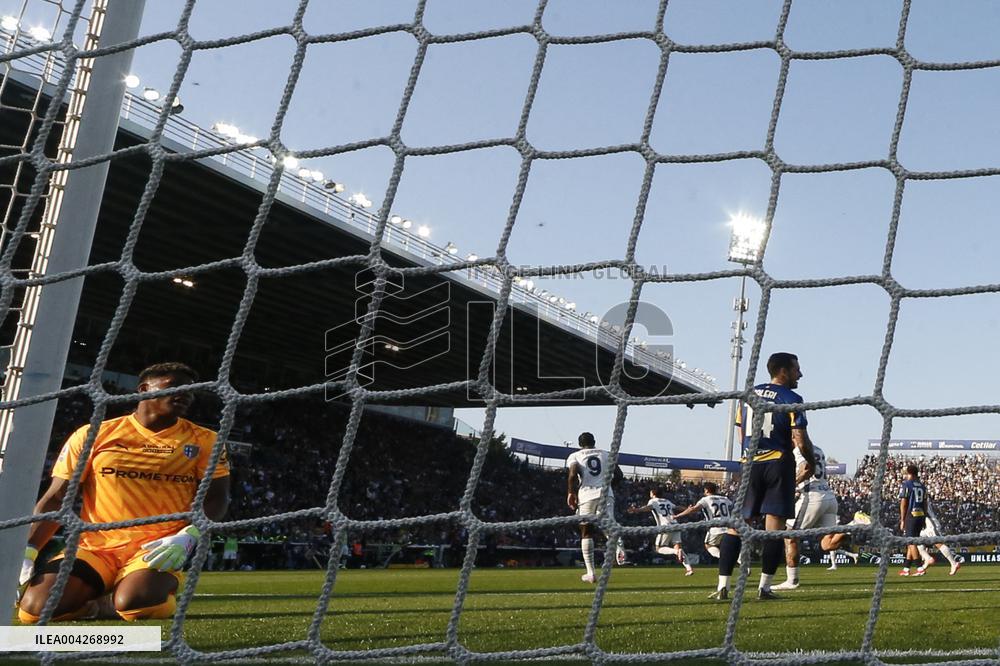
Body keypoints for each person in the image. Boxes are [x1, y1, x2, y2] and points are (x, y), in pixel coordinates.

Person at [17, 363, 230, 623]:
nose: (186, 394)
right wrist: (29, 549)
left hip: (157, 547)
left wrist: (189, 535)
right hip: (95, 548)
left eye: (191, 390)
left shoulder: (205, 440)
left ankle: (133, 592)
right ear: (143, 389)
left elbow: (217, 497)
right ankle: (97, 606)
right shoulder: (94, 434)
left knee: (135, 605)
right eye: (175, 386)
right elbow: (57, 497)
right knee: (33, 611)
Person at [729, 352, 816, 600]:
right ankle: (764, 588)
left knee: (738, 525)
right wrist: (809, 463)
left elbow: (740, 433)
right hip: (778, 462)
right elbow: (800, 440)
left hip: (749, 463)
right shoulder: (792, 398)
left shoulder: (747, 396)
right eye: (797, 369)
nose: (800, 374)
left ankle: (722, 584)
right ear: (783, 371)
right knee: (774, 529)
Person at [773, 444, 839, 590]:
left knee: (790, 535)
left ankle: (792, 580)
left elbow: (807, 469)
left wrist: (792, 484)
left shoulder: (798, 450)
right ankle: (852, 526)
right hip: (829, 496)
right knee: (827, 544)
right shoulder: (819, 449)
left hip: (812, 496)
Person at [566, 432, 624, 584]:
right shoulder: (605, 454)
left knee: (586, 531)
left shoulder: (575, 456)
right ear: (594, 442)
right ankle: (619, 548)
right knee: (609, 524)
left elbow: (572, 475)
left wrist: (571, 493)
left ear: (580, 444)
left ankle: (590, 573)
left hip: (586, 495)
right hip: (606, 493)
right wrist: (608, 487)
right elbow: (619, 475)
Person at [674, 482, 733, 592]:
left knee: (709, 545)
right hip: (728, 525)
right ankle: (737, 559)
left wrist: (678, 515)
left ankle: (726, 559)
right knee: (728, 547)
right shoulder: (725, 498)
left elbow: (693, 510)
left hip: (715, 527)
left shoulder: (705, 499)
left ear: (706, 490)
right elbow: (733, 508)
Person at [627, 488, 693, 575]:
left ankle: (676, 552)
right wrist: (687, 509)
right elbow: (677, 507)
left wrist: (637, 510)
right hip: (676, 525)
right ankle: (689, 569)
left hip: (665, 526)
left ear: (653, 494)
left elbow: (648, 508)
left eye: (650, 492)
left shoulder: (653, 501)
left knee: (659, 548)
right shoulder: (667, 501)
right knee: (678, 547)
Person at [915, 498, 963, 575]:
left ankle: (953, 563)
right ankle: (927, 560)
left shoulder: (919, 498)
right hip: (925, 525)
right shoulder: (919, 495)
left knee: (938, 543)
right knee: (918, 541)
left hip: (930, 523)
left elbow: (920, 510)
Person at [898, 464, 927, 576]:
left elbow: (904, 503)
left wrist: (902, 519)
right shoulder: (922, 486)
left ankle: (919, 567)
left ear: (909, 473)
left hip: (911, 515)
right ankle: (906, 568)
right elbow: (925, 503)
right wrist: (924, 518)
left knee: (911, 541)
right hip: (920, 515)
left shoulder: (907, 484)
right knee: (912, 542)